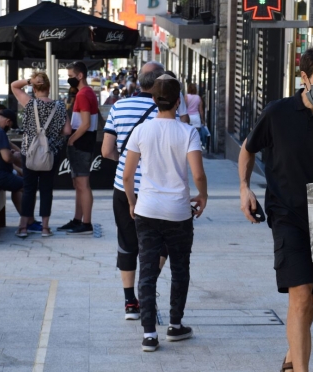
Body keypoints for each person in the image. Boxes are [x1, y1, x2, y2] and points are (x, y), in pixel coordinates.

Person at [238, 45, 313, 372]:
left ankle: (292, 359)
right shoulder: (277, 112)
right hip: (287, 213)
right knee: (301, 295)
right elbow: (247, 151)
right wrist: (244, 189)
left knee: (311, 300)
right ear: (304, 77)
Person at [123, 74, 207, 352]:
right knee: (180, 268)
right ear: (178, 100)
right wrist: (203, 195)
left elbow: (127, 176)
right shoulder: (188, 132)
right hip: (178, 212)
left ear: (153, 99)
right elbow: (197, 173)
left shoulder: (141, 131)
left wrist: (132, 202)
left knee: (147, 270)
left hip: (147, 209)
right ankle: (175, 324)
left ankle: (149, 334)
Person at [101, 60, 170, 321]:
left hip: (124, 186)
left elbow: (106, 150)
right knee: (160, 244)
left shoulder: (119, 106)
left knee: (127, 242)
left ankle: (130, 302)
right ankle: (146, 291)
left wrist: (128, 162)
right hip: (157, 188)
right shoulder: (165, 110)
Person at [11, 73, 70, 238]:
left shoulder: (29, 103)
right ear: (49, 87)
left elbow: (14, 85)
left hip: (29, 152)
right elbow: (67, 131)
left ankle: (23, 227)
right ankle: (45, 228)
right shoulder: (59, 106)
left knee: (29, 188)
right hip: (51, 153)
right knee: (46, 189)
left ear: (34, 88)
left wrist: (29, 81)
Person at [58, 61, 97, 235]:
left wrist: (71, 140)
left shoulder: (83, 94)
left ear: (80, 75)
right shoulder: (87, 93)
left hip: (81, 142)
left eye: (71, 76)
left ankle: (86, 223)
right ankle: (77, 219)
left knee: (82, 184)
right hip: (84, 142)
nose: (69, 80)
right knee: (79, 184)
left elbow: (86, 123)